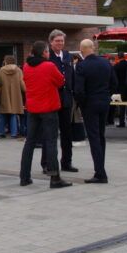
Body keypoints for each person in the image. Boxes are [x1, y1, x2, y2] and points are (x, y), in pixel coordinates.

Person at [20, 41, 72, 189]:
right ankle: (54, 178)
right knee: (50, 142)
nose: (49, 53)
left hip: (32, 108)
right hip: (48, 107)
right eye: (48, 51)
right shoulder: (49, 66)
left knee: (30, 142)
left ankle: (24, 176)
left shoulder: (26, 66)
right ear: (44, 53)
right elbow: (61, 81)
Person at [75, 39, 119, 183]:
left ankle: (100, 173)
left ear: (82, 50)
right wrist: (106, 96)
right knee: (101, 135)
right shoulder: (106, 63)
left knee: (93, 137)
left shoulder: (82, 66)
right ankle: (101, 167)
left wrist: (82, 104)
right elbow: (114, 83)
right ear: (93, 48)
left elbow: (79, 90)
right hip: (104, 102)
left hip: (90, 104)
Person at [48, 29, 78, 173]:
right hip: (52, 98)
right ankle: (48, 163)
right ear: (51, 42)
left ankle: (67, 162)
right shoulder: (48, 56)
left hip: (66, 99)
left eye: (62, 41)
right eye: (57, 41)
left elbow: (72, 75)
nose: (60, 43)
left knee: (67, 132)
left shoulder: (67, 56)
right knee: (51, 133)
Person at [0, 55, 26, 140]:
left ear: (6, 61)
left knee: (2, 113)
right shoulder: (18, 70)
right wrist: (26, 90)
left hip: (4, 94)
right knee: (13, 113)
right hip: (16, 94)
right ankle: (14, 133)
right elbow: (22, 83)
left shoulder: (1, 70)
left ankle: (1, 132)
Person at [113, 51, 127, 127]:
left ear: (118, 57)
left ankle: (121, 122)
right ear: (124, 56)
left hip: (121, 88)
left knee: (121, 105)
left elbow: (115, 79)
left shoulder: (116, 66)